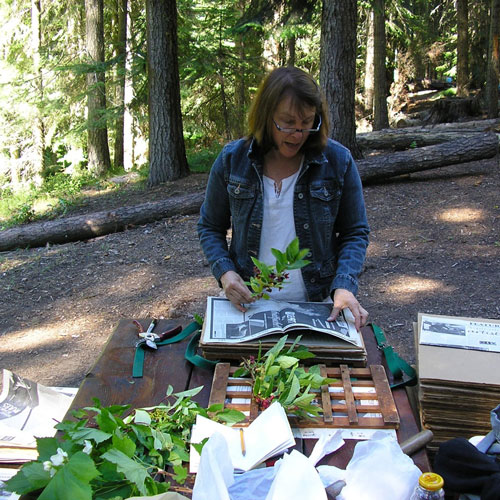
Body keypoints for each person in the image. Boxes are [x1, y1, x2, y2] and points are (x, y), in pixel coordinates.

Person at [197, 66, 370, 330]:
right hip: (246, 304)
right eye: (288, 122)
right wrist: (225, 273)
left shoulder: (338, 161)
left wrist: (345, 286)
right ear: (266, 116)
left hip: (320, 305)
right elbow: (210, 227)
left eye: (307, 122)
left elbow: (355, 232)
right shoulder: (232, 160)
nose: (297, 134)